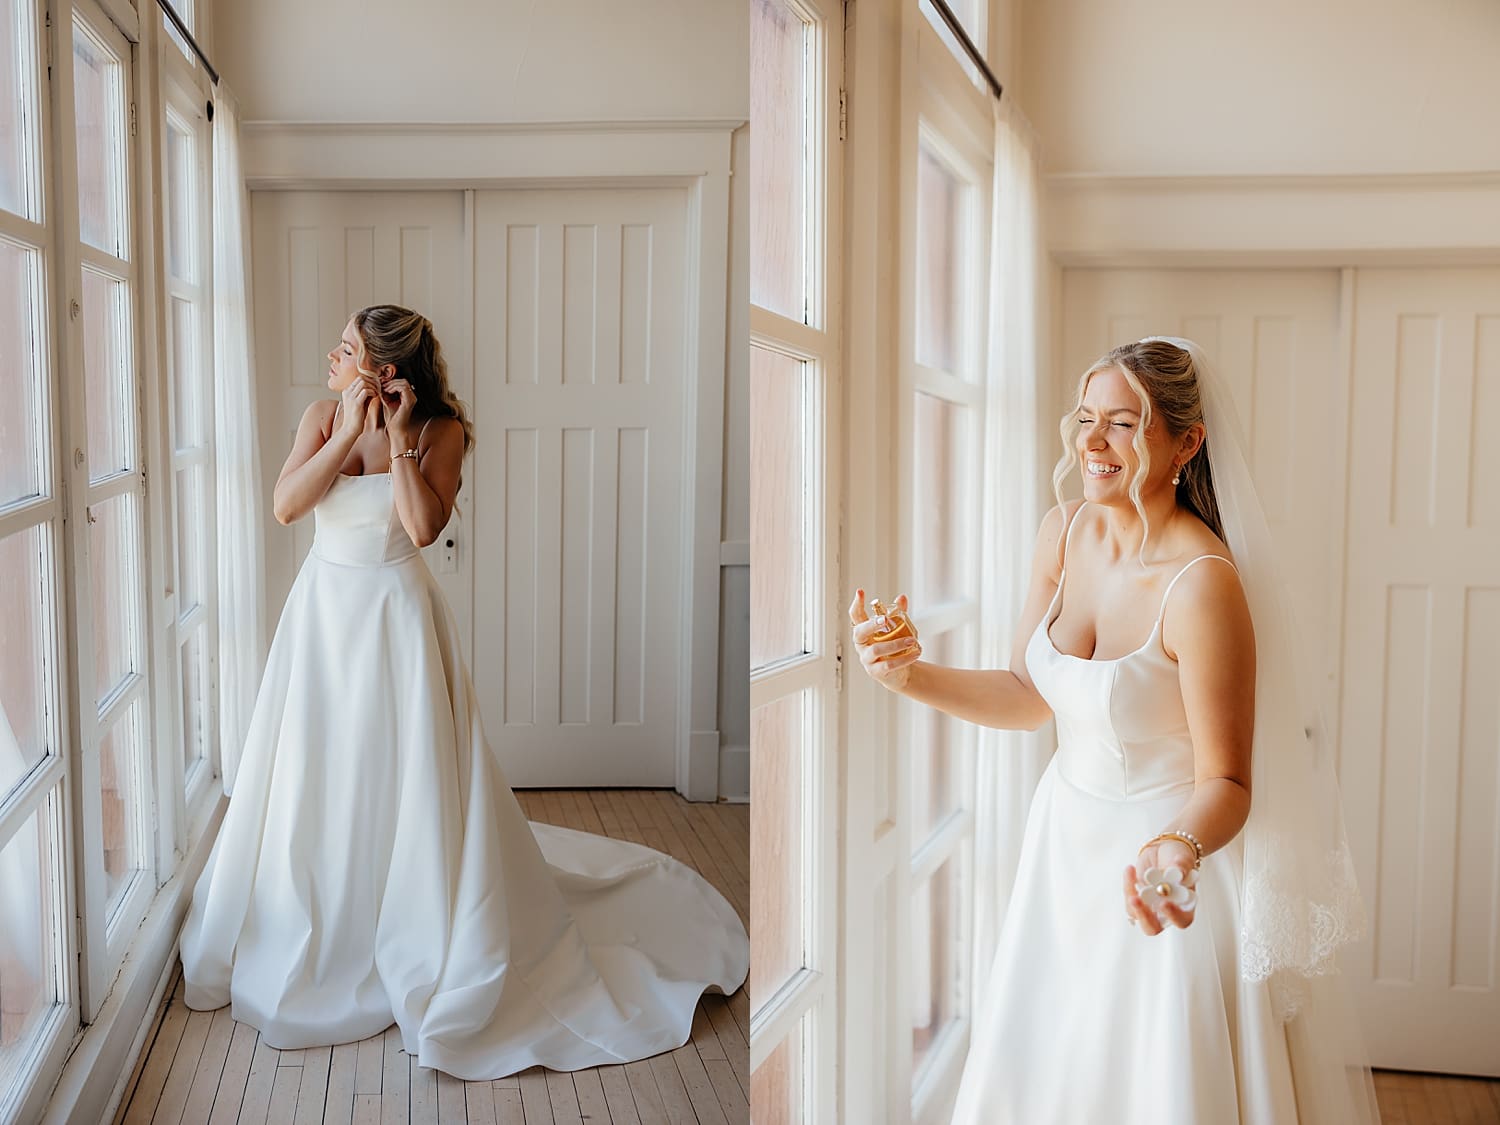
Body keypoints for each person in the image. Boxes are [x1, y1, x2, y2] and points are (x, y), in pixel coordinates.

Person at [179, 304, 748, 1079]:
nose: (331, 355)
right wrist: (346, 433)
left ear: (382, 370)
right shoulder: (320, 417)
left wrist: (399, 441)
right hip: (322, 622)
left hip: (398, 622)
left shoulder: (441, 431)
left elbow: (420, 529)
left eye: (345, 349)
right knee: (320, 771)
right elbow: (286, 506)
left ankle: (412, 917)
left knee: (402, 774)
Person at [851, 338, 1378, 1123]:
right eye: (1085, 417)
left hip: (1163, 876)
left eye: (1123, 423)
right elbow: (1027, 695)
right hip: (1060, 856)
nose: (1091, 441)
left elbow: (1228, 781)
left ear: (1186, 442)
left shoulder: (1202, 585)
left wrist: (1176, 848)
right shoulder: (1062, 533)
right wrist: (906, 675)